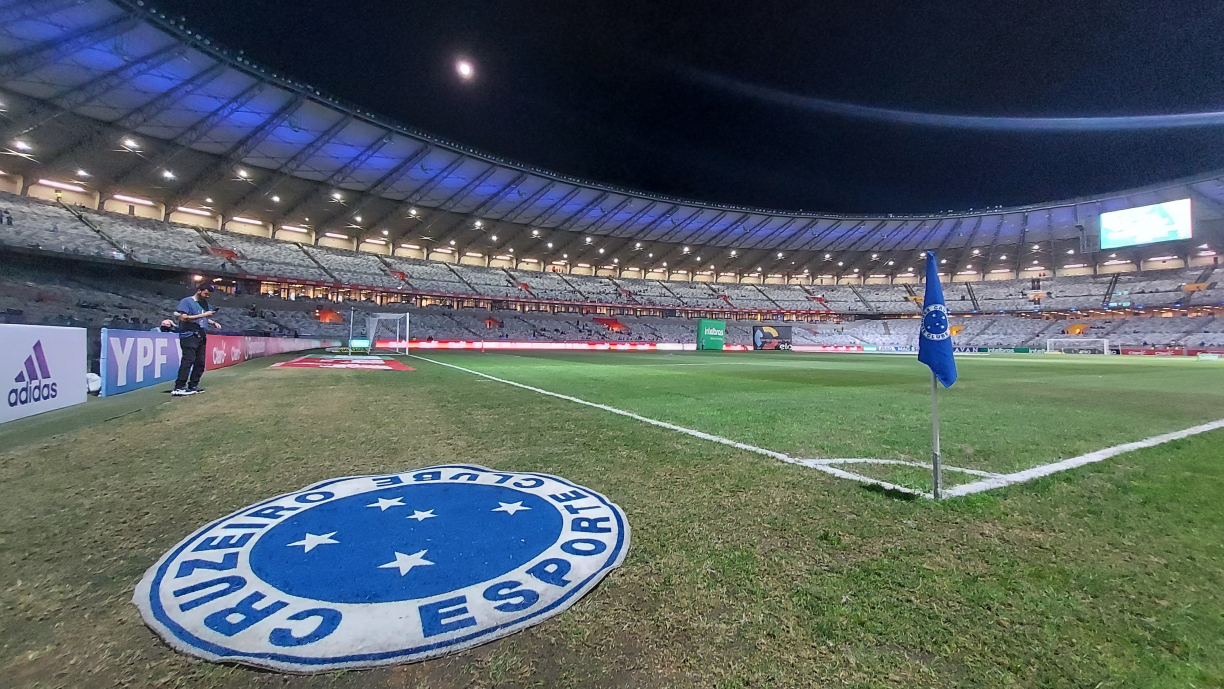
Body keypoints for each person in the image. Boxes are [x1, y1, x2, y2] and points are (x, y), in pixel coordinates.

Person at [172, 282, 220, 396]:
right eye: (206, 294)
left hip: (201, 335)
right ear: (199, 291)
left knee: (200, 363)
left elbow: (203, 317)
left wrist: (212, 322)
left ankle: (193, 385)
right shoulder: (187, 301)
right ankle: (179, 387)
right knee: (188, 361)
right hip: (189, 335)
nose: (207, 296)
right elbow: (184, 318)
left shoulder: (204, 304)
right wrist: (204, 315)